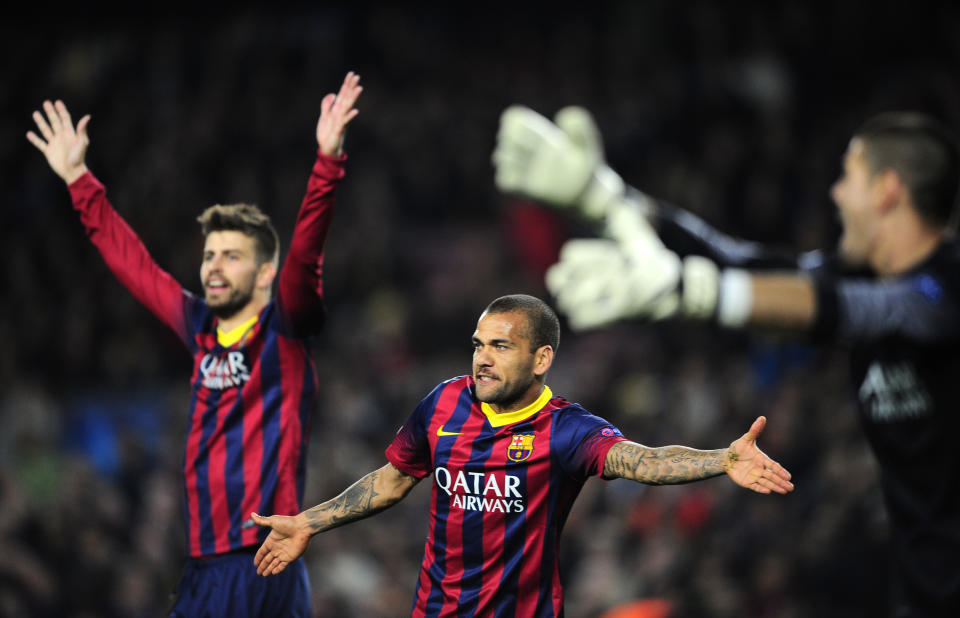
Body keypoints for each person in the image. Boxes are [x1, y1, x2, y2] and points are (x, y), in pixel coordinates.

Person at [493, 106, 960, 617]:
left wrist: (696, 291)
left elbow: (863, 311)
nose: (837, 194)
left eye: (849, 176)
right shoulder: (865, 279)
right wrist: (606, 199)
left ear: (888, 190)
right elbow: (739, 261)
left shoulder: (942, 288)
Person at [26, 71, 363, 617]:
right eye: (209, 255)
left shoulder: (286, 330)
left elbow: (304, 261)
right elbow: (132, 263)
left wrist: (327, 163)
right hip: (206, 563)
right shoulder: (197, 324)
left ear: (263, 273)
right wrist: (78, 179)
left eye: (231, 255)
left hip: (265, 560)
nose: (213, 266)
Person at [250, 294, 794, 617]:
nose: (482, 359)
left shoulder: (565, 430)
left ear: (542, 358)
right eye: (478, 344)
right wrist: (307, 522)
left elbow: (641, 460)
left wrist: (720, 459)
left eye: (500, 346)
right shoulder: (442, 403)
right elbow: (393, 480)